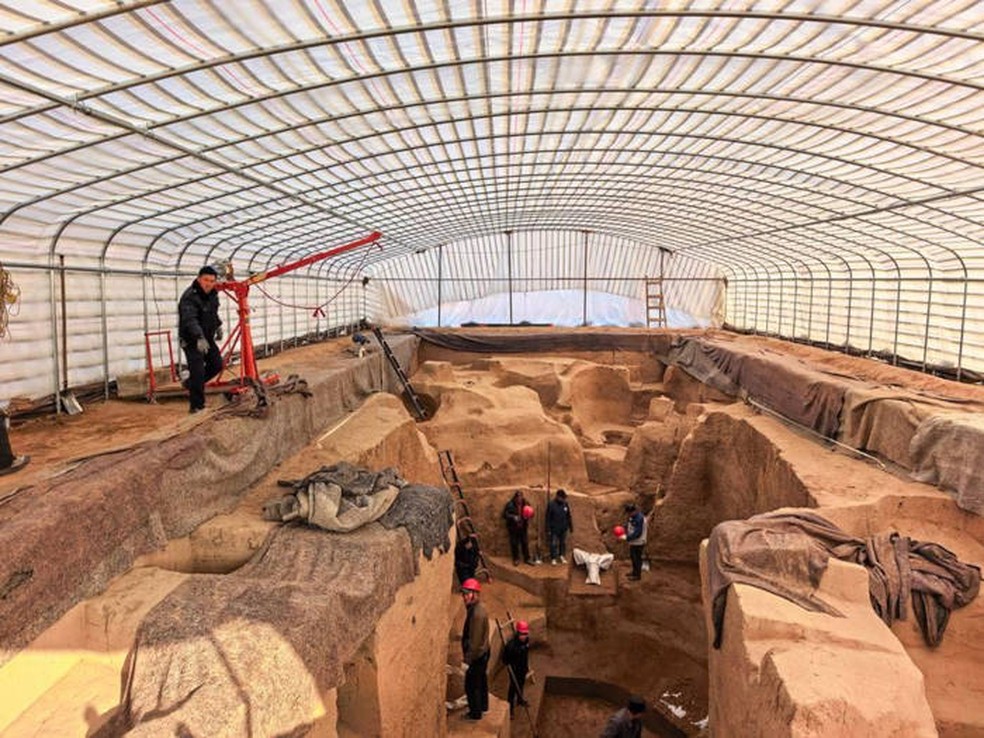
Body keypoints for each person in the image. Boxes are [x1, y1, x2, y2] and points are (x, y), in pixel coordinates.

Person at [178, 266, 223, 413]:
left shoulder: (213, 295)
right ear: (199, 279)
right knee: (197, 371)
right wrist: (199, 337)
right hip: (192, 340)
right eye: (205, 280)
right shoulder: (190, 297)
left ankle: (191, 384)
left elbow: (213, 313)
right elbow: (190, 320)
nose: (208, 284)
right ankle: (197, 406)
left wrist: (218, 326)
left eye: (212, 281)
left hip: (207, 338)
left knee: (217, 364)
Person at [460, 578, 490, 720]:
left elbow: (474, 641)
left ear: (475, 594)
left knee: (472, 686)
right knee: (481, 681)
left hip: (477, 656)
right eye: (464, 594)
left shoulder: (476, 614)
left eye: (467, 593)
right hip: (483, 653)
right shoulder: (478, 608)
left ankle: (475, 713)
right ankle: (483, 706)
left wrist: (467, 661)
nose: (465, 597)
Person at [502, 619, 531, 717]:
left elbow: (526, 655)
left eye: (525, 634)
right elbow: (505, 659)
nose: (524, 636)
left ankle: (520, 700)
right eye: (522, 634)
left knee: (521, 684)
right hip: (514, 670)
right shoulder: (511, 646)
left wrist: (526, 667)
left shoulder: (526, 641)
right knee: (513, 688)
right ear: (518, 633)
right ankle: (510, 709)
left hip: (522, 667)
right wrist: (509, 665)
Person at [502, 491, 532, 566]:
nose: (519, 499)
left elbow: (531, 512)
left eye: (521, 497)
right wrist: (513, 517)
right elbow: (504, 515)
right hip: (513, 528)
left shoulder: (526, 503)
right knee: (514, 544)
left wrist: (529, 514)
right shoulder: (510, 504)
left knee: (524, 543)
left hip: (523, 527)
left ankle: (527, 559)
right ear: (515, 498)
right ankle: (516, 559)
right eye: (518, 497)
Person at [546, 488, 573, 565]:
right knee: (553, 544)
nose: (563, 499)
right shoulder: (551, 504)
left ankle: (561, 556)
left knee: (563, 543)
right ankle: (553, 558)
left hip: (563, 528)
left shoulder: (565, 504)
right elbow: (547, 518)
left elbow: (568, 516)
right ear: (558, 496)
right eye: (562, 497)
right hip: (554, 528)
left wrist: (570, 526)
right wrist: (548, 529)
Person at [623, 503, 648, 580]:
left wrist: (627, 537)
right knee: (633, 557)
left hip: (639, 542)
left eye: (629, 513)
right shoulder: (633, 517)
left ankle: (637, 575)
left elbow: (638, 533)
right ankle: (634, 572)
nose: (628, 515)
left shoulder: (639, 518)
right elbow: (630, 525)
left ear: (633, 511)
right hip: (634, 542)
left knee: (637, 558)